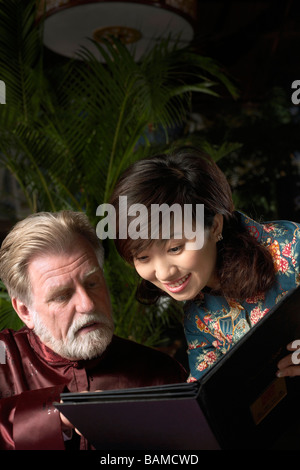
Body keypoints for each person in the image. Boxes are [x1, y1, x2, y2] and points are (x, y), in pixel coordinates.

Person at [109, 146, 300, 382]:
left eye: (175, 248)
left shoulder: (292, 248)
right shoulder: (197, 318)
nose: (164, 273)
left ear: (215, 226)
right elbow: (206, 398)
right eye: (143, 257)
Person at [0, 211, 187, 450]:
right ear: (25, 311)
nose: (87, 304)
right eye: (62, 296)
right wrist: (52, 416)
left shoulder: (162, 374)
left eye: (92, 283)